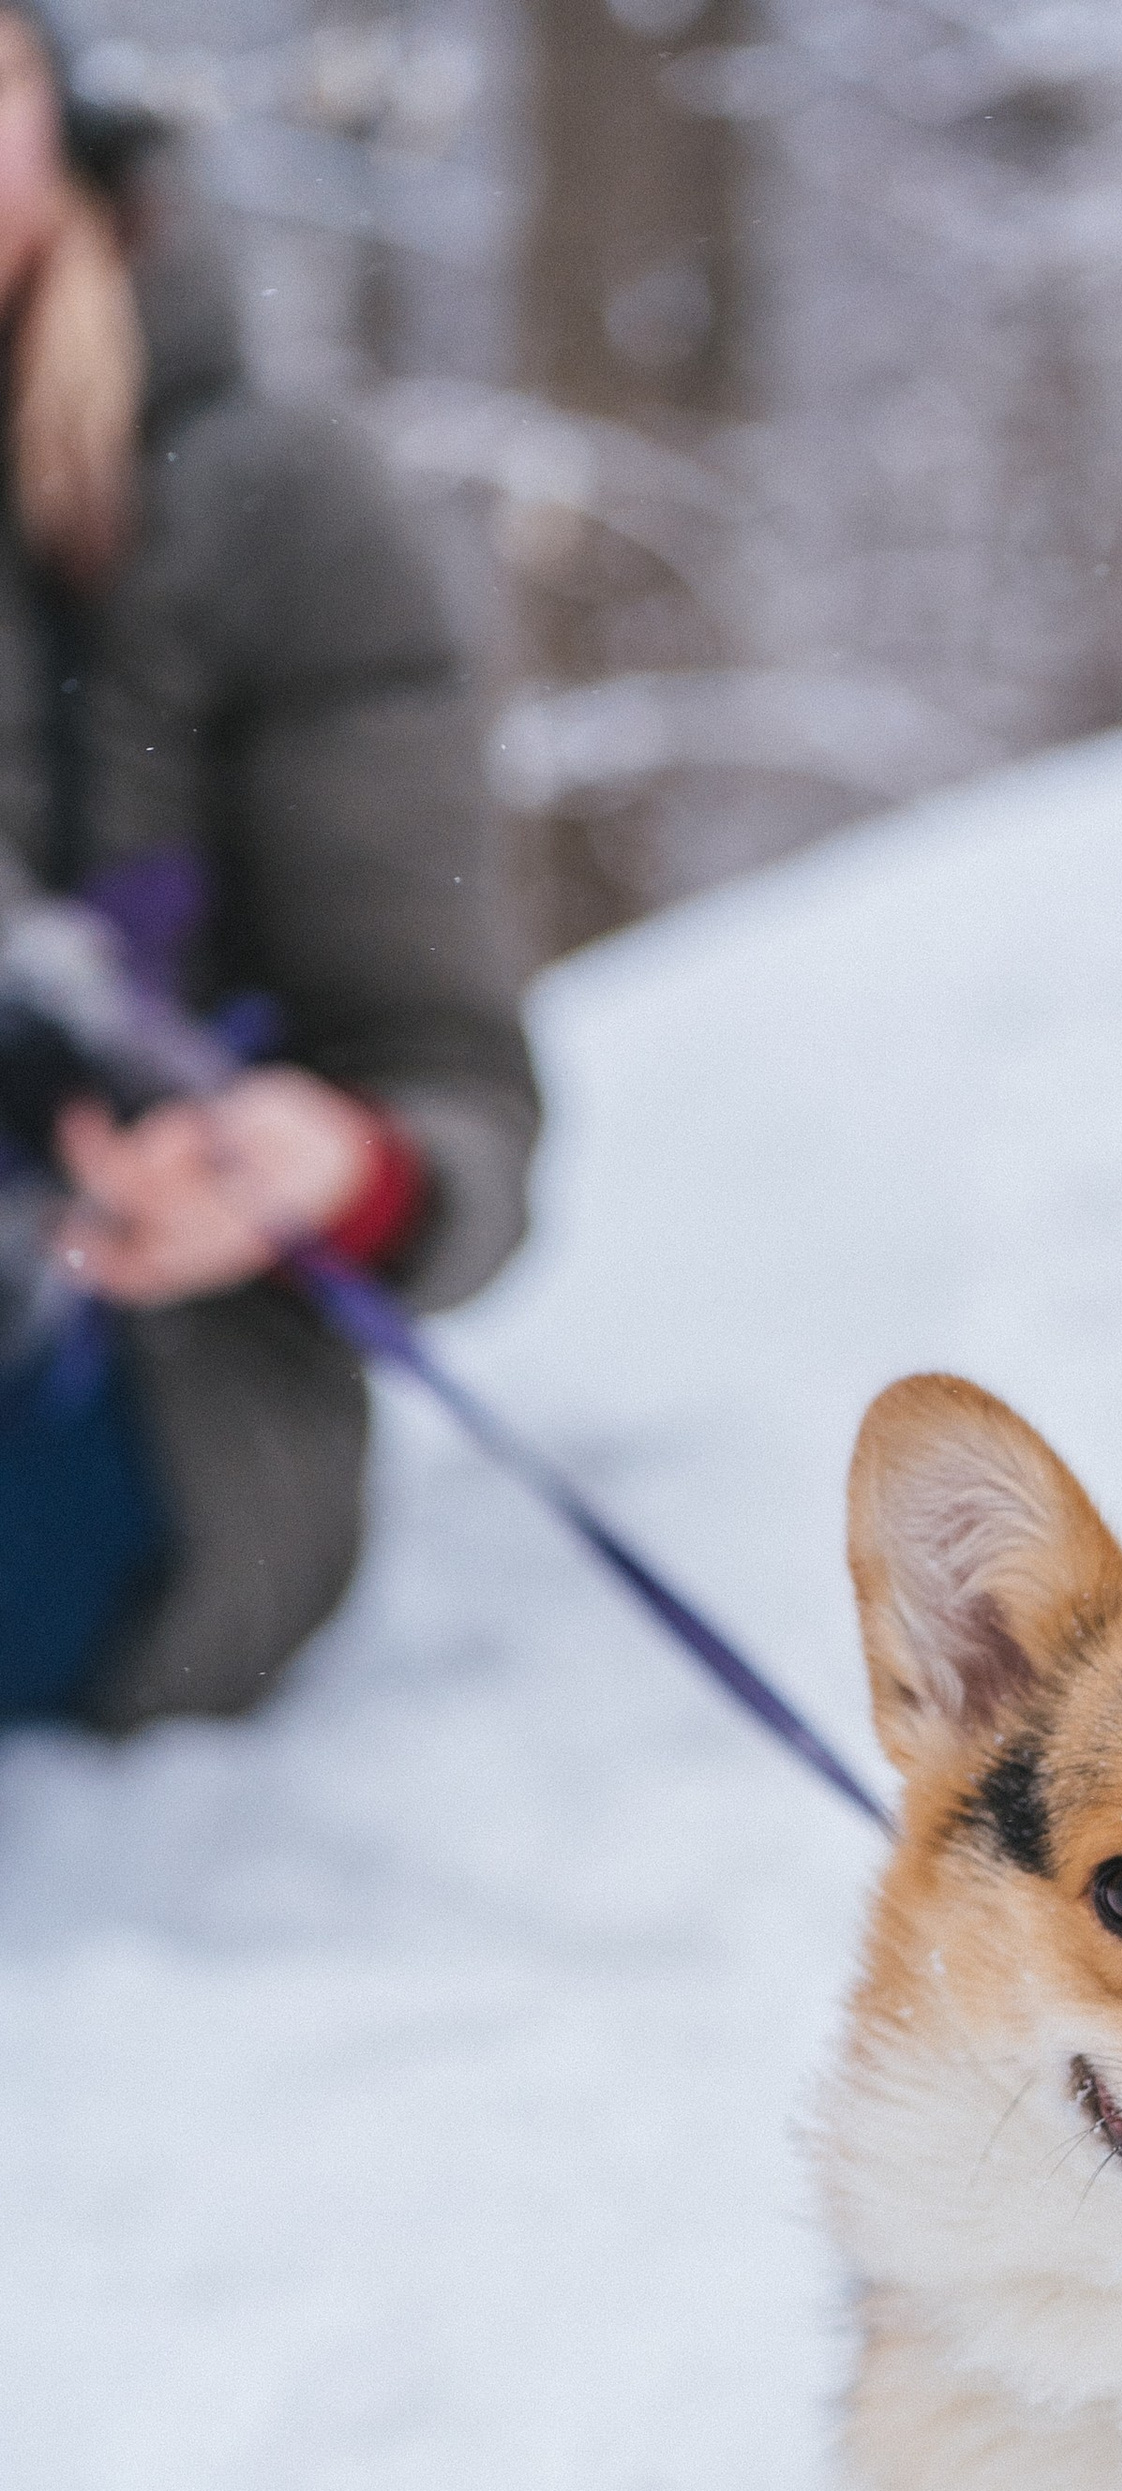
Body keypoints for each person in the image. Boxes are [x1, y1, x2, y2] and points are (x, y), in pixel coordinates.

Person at [0, 9, 538, 1734]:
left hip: (148, 1385)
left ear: (48, 110)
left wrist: (330, 1164)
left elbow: (447, 1088)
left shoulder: (272, 504)